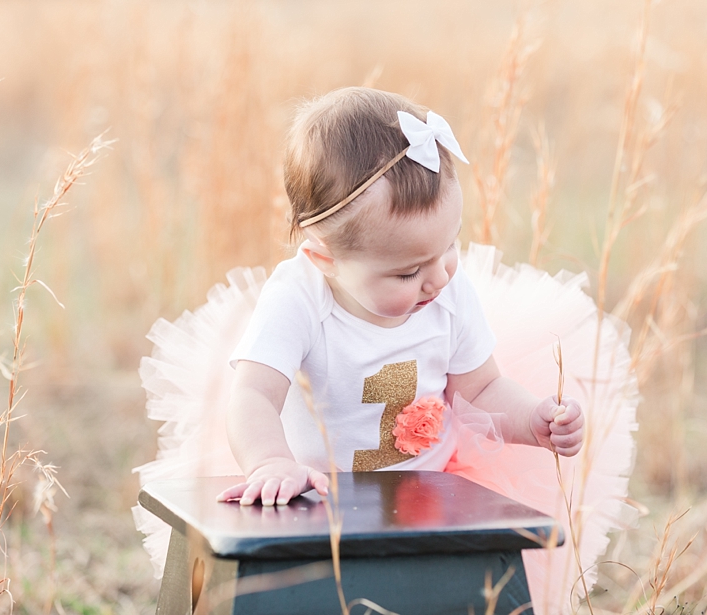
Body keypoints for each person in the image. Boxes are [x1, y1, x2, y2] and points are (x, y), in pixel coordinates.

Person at [133, 87, 638, 614]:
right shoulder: (299, 297)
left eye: (450, 247)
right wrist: (270, 462)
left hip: (428, 496)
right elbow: (252, 395)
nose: (437, 278)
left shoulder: (448, 291)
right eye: (406, 271)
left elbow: (481, 388)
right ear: (323, 257)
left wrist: (532, 420)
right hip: (314, 505)